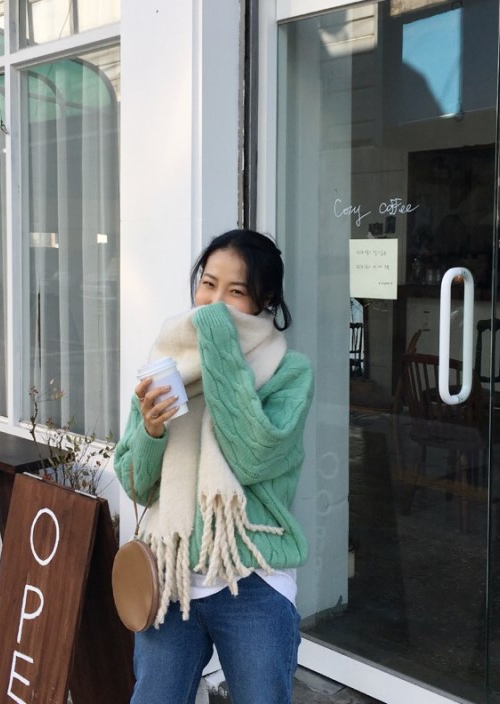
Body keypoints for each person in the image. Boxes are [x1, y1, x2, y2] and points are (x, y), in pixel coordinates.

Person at [114, 228, 315, 704]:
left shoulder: (290, 372)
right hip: (170, 578)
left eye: (235, 291)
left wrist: (218, 343)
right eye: (208, 283)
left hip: (253, 583)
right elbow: (136, 484)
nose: (214, 301)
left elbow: (252, 455)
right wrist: (152, 431)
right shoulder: (167, 362)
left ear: (266, 300)